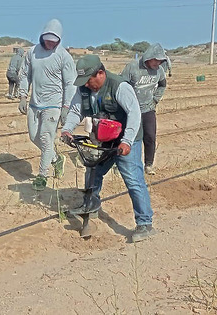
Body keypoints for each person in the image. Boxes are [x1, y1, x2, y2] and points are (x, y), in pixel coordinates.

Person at [61, 55, 156, 242]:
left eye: (89, 80)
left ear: (101, 73)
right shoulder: (84, 89)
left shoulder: (119, 86)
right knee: (93, 172)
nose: (86, 85)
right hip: (104, 137)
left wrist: (127, 141)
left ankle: (145, 223)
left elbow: (134, 114)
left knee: (133, 179)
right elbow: (75, 110)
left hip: (126, 138)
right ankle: (91, 211)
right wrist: (67, 130)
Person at [18, 18, 77, 191]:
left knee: (45, 138)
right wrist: (22, 96)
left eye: (54, 40)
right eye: (47, 39)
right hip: (34, 103)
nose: (50, 43)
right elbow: (24, 75)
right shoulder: (32, 52)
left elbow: (70, 84)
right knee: (34, 137)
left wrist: (66, 107)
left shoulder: (64, 57)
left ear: (59, 39)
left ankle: (42, 175)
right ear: (42, 36)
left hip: (53, 105)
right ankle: (56, 159)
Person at [121, 43, 167, 175]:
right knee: (130, 137)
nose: (157, 63)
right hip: (131, 110)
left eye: (160, 61)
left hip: (148, 108)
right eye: (156, 60)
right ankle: (126, 164)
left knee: (150, 137)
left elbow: (162, 84)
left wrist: (155, 99)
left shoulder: (159, 70)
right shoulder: (132, 67)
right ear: (148, 57)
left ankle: (149, 165)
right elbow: (122, 85)